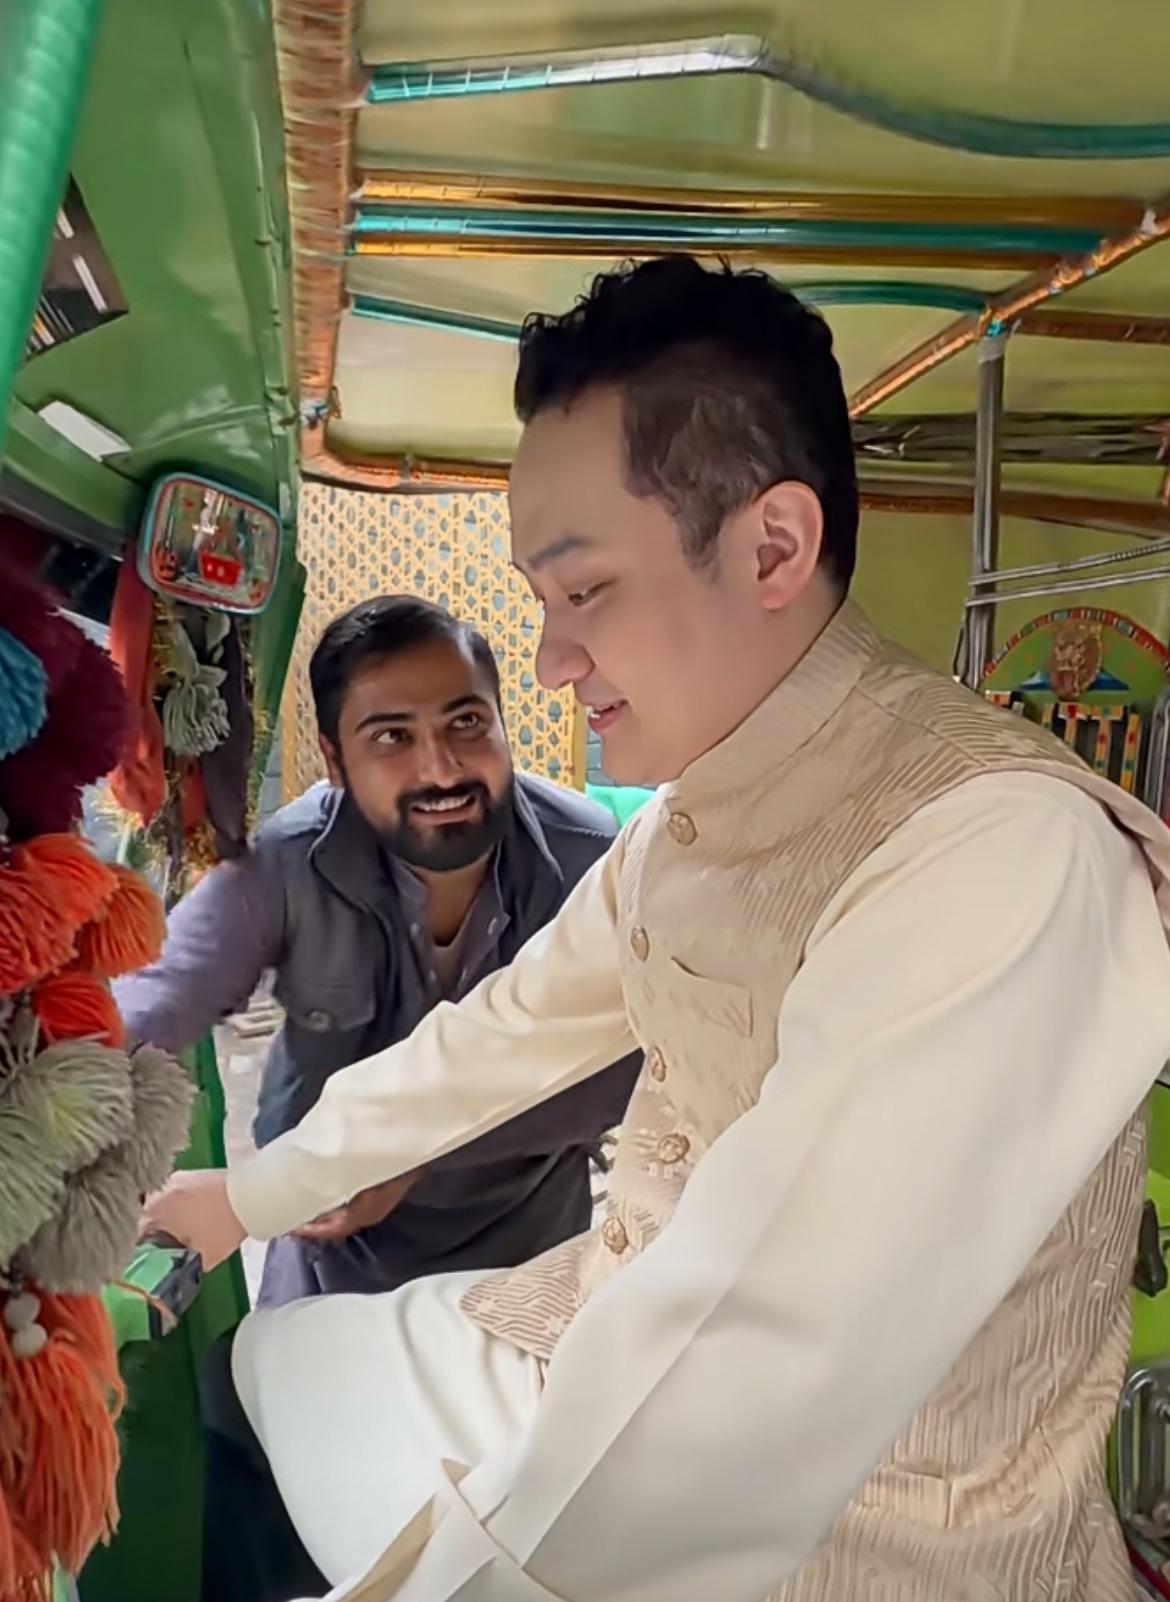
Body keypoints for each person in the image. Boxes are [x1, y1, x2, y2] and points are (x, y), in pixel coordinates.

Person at [143, 258, 1170, 1602]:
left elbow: (750, 1378)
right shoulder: (683, 826)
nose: (549, 661)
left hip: (855, 1538)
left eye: (584, 592)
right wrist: (249, 1196)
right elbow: (499, 1036)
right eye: (541, 601)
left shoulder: (1001, 858)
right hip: (593, 1342)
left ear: (772, 549)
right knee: (273, 1365)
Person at [118, 595, 639, 1601]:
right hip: (331, 1277)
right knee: (285, 1499)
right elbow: (148, 1010)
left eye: (466, 723)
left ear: (505, 720)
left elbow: (629, 1070)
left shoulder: (591, 863)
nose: (441, 768)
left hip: (520, 1284)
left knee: (490, 1545)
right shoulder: (283, 866)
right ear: (332, 757)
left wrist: (410, 1156)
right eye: (391, 737)